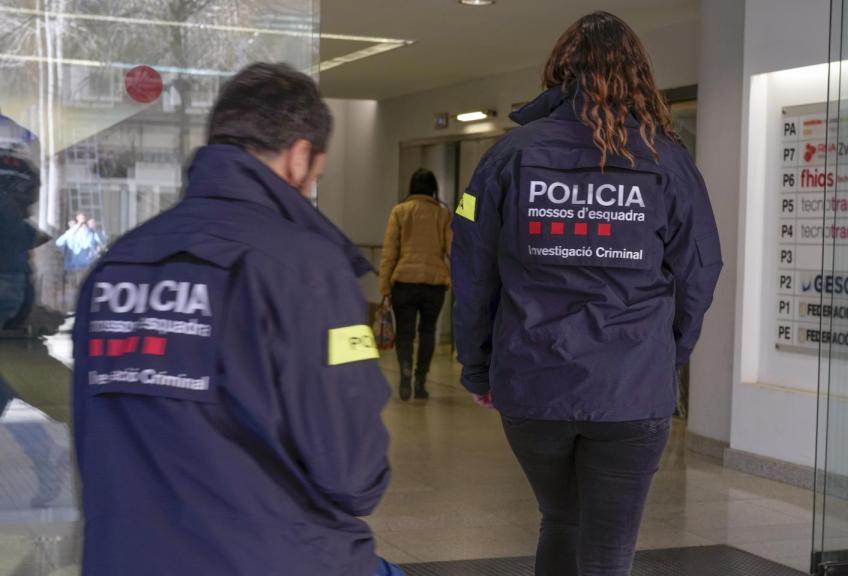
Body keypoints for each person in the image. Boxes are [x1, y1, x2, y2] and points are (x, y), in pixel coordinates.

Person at [72, 63, 404, 576]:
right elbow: (353, 475)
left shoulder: (117, 264)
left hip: (122, 558)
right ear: (299, 157)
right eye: (317, 176)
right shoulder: (307, 267)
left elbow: (93, 439)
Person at [451, 12, 723, 576]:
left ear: (561, 70)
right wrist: (665, 357)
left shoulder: (509, 156)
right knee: (607, 552)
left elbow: (472, 269)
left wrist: (478, 367)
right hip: (630, 387)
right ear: (639, 75)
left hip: (533, 382)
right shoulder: (667, 161)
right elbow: (701, 270)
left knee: (560, 519)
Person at [379, 168, 452, 401]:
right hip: (434, 283)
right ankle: (421, 381)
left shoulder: (400, 211)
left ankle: (405, 374)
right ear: (433, 189)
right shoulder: (443, 214)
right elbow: (453, 250)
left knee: (405, 332)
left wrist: (385, 286)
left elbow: (389, 252)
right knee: (428, 331)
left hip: (404, 282)